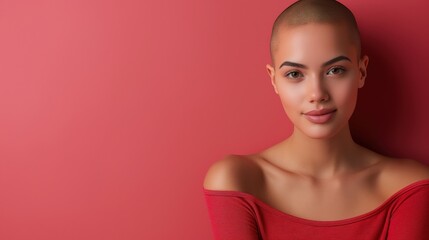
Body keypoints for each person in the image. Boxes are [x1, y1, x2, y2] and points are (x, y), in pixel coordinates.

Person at [202, 0, 429, 239]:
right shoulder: (237, 180)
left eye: (335, 70)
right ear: (273, 80)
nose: (317, 94)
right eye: (295, 74)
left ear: (361, 72)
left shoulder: (408, 187)